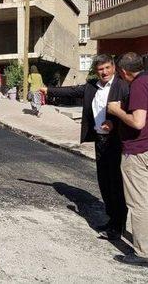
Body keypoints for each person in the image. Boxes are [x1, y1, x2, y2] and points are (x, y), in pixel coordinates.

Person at [40, 54, 129, 240]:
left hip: (116, 141)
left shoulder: (122, 86)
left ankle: (118, 225)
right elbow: (72, 91)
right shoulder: (92, 86)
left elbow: (129, 111)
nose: (104, 72)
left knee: (116, 185)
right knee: (104, 182)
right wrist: (48, 90)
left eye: (107, 68)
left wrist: (115, 123)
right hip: (100, 140)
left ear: (113, 67)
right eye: (100, 69)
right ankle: (112, 220)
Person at [107, 52, 148, 267]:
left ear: (123, 71)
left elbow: (138, 121)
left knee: (137, 203)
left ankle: (143, 253)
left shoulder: (139, 86)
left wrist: (117, 111)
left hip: (137, 152)